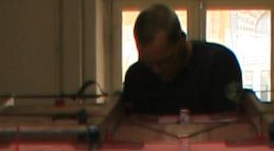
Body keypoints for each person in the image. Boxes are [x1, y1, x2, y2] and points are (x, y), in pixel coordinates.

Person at [109, 7, 258, 126]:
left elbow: (229, 127)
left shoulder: (220, 64)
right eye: (148, 63)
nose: (157, 70)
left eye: (164, 61)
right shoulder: (136, 77)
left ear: (181, 40)